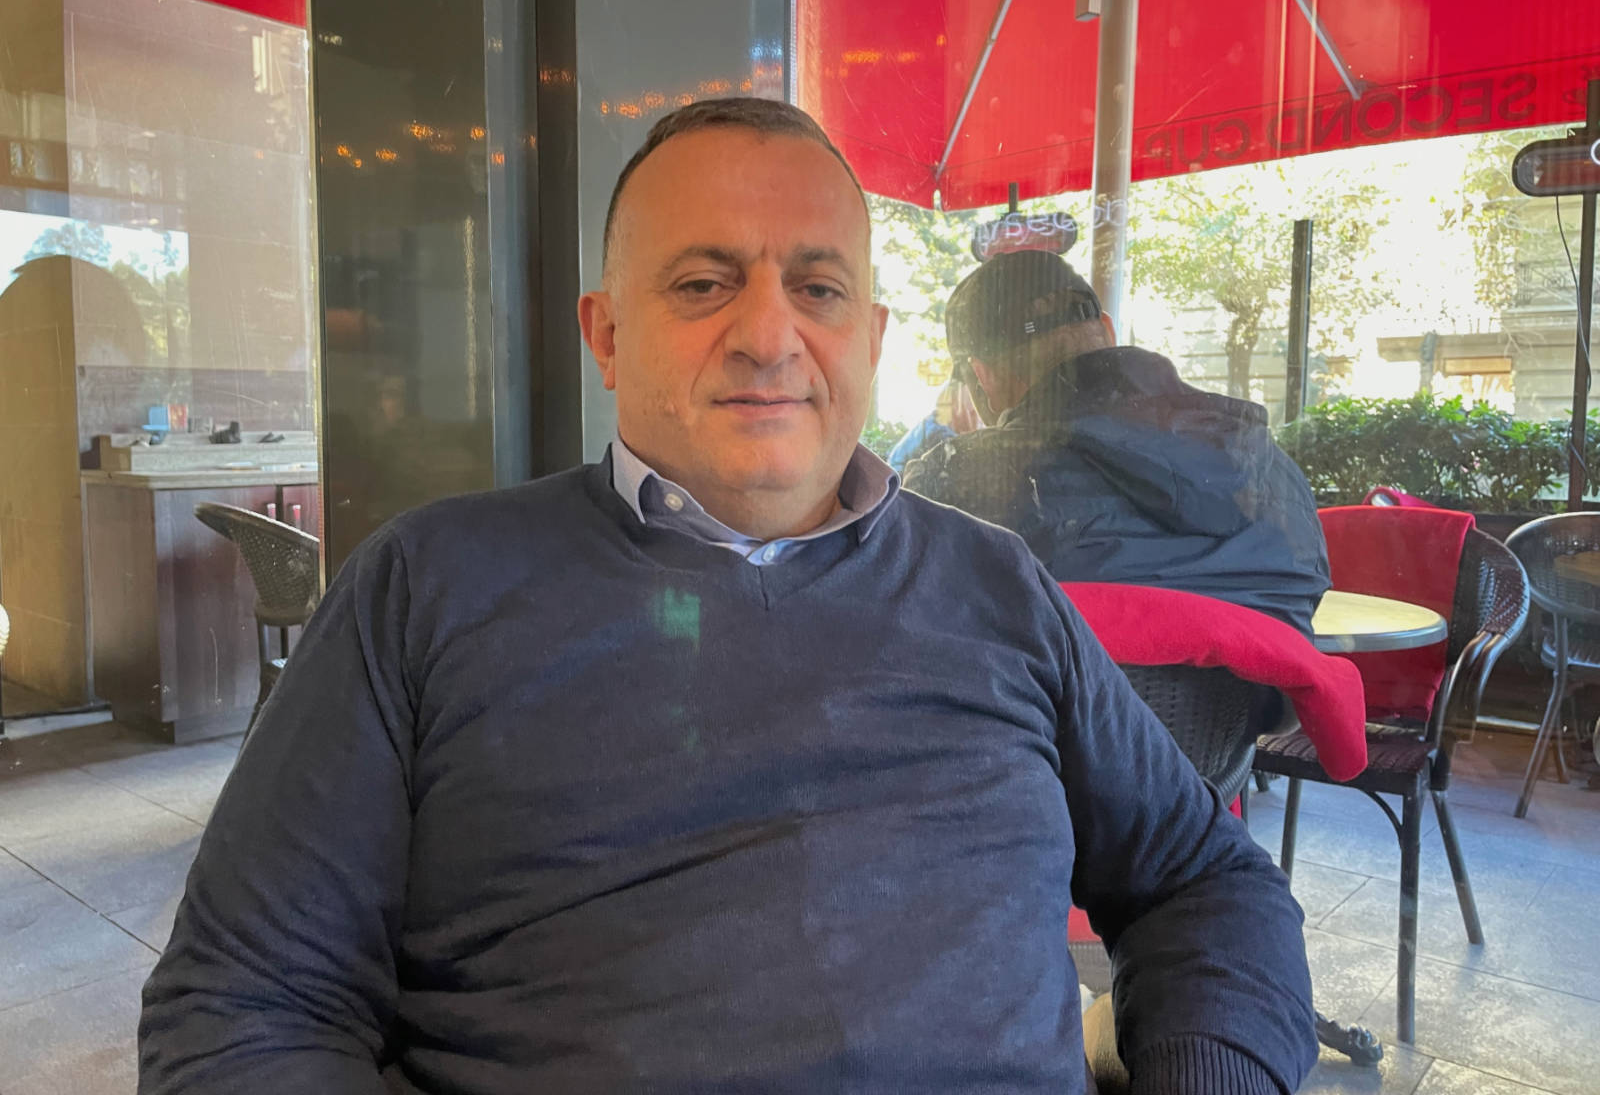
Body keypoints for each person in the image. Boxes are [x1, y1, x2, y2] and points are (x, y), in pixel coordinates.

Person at [138, 98, 1316, 1095]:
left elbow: (1204, 884)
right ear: (605, 336)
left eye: (819, 288)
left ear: (872, 339)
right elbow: (246, 1000)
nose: (768, 334)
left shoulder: (995, 584)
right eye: (703, 284)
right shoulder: (428, 587)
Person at [904, 250, 1330, 638]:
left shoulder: (957, 482)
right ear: (1107, 329)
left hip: (1047, 702)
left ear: (982, 376)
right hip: (1248, 701)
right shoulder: (1273, 470)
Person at [884, 376, 979, 473]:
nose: (973, 412)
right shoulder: (935, 428)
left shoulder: (936, 423)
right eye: (971, 411)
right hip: (898, 474)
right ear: (954, 403)